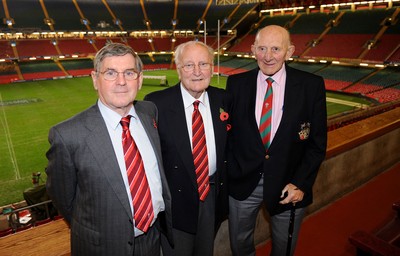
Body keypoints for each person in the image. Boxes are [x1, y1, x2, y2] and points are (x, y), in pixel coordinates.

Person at [45, 43, 173, 256]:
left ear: (140, 79)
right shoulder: (67, 135)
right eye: (111, 73)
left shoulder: (149, 112)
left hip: (154, 239)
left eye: (129, 73)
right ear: (95, 79)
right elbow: (64, 201)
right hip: (103, 247)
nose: (121, 82)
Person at [226, 25, 327, 256]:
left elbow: (317, 144)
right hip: (243, 184)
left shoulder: (311, 86)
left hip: (288, 185)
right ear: (252, 50)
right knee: (239, 245)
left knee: (284, 248)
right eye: (261, 48)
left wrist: (301, 183)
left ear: (289, 51)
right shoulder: (236, 84)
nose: (268, 56)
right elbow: (229, 137)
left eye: (275, 49)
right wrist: (233, 170)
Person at [144, 41, 231, 256]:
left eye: (203, 64)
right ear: (178, 68)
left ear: (212, 67)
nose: (197, 72)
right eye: (189, 65)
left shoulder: (224, 99)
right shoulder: (156, 104)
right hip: (175, 202)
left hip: (212, 196)